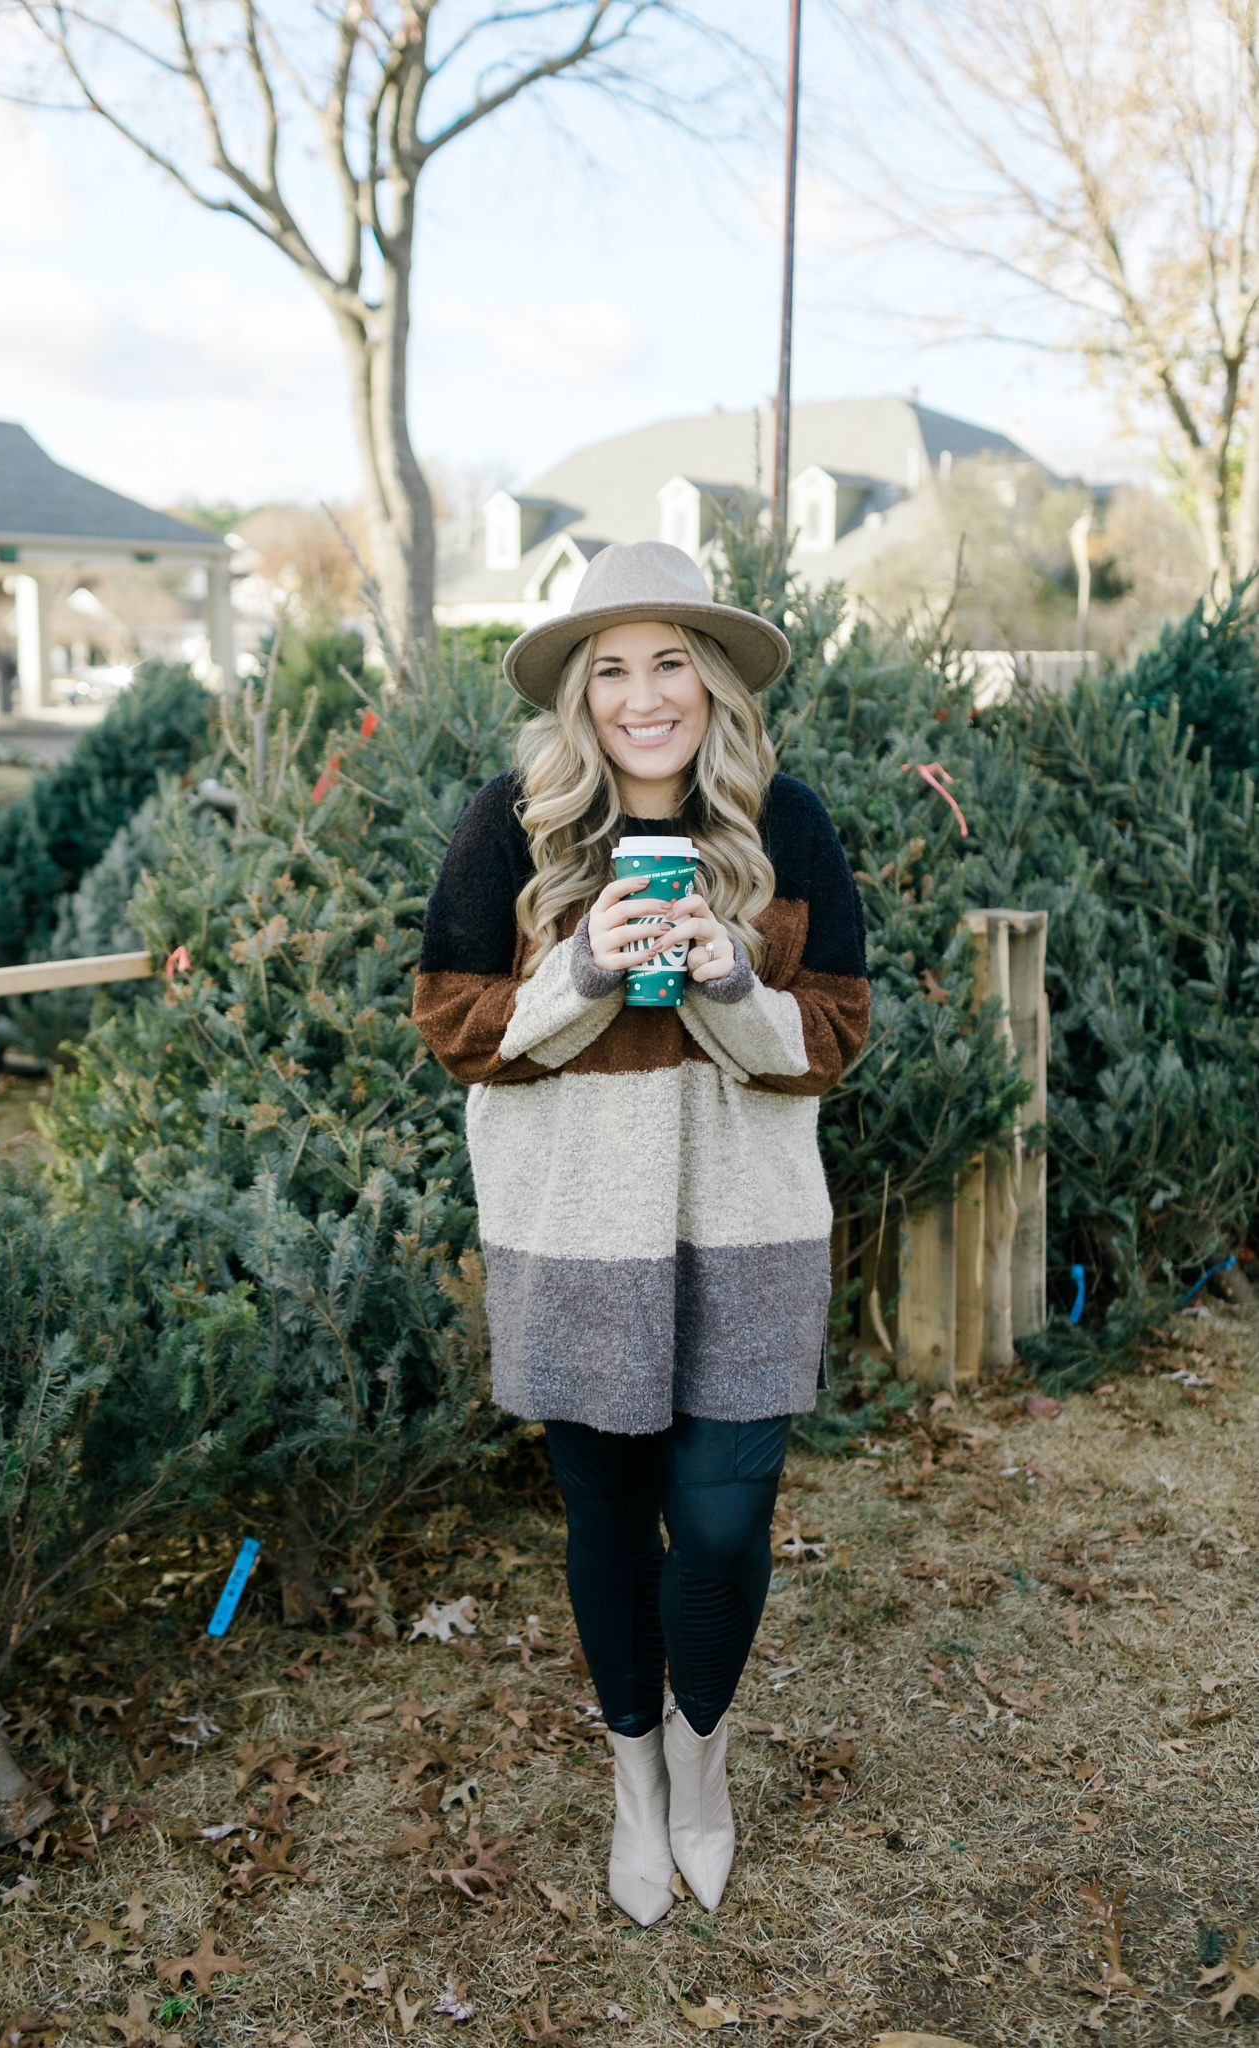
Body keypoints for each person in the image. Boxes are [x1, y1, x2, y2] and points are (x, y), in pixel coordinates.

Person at [413, 541, 868, 1926]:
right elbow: (455, 1030)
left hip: (744, 1232)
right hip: (578, 1237)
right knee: (609, 1524)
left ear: (712, 680)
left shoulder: (784, 821)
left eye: (668, 658)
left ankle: (702, 1762)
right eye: (609, 667)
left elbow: (833, 1038)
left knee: (723, 1532)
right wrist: (584, 967)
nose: (641, 692)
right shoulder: (516, 823)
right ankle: (632, 1785)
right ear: (578, 694)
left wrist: (730, 979)